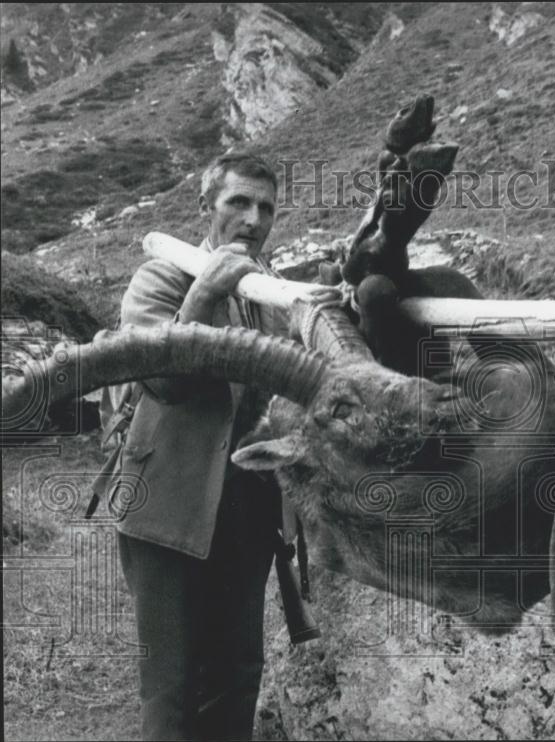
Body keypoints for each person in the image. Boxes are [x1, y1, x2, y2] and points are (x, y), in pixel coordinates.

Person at [108, 154, 330, 740]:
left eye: (266, 208)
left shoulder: (265, 294)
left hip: (246, 518)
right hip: (167, 512)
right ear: (206, 208)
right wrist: (204, 293)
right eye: (239, 202)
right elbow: (165, 382)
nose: (253, 218)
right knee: (172, 690)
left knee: (236, 679)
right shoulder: (159, 279)